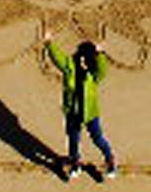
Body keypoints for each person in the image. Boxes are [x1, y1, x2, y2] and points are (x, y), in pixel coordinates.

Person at [40, 25, 116, 180]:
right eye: (81, 57)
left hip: (90, 114)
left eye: (86, 58)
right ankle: (75, 164)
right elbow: (57, 58)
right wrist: (49, 43)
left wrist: (101, 52)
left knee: (98, 139)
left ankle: (110, 160)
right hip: (72, 113)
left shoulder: (94, 75)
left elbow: (103, 69)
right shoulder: (70, 67)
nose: (82, 61)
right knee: (73, 140)